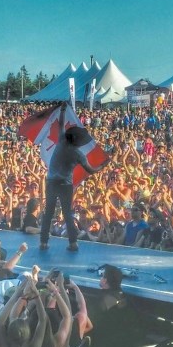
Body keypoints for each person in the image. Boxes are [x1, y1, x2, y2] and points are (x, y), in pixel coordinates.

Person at [40, 102, 110, 252]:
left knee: (49, 212)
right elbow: (91, 170)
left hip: (52, 182)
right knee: (66, 213)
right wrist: (103, 166)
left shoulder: (61, 141)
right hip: (65, 185)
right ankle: (73, 243)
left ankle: (44, 242)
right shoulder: (78, 154)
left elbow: (60, 126)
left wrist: (63, 112)